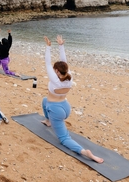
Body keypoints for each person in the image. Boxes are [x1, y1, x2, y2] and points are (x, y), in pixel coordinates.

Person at [41, 35, 104, 163]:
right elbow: (64, 63)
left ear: (57, 71)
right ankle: (48, 120)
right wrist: (61, 45)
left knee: (64, 138)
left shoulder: (55, 80)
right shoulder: (69, 78)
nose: (53, 71)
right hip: (65, 106)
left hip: (56, 110)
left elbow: (47, 62)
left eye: (55, 70)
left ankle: (84, 152)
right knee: (44, 101)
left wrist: (48, 48)